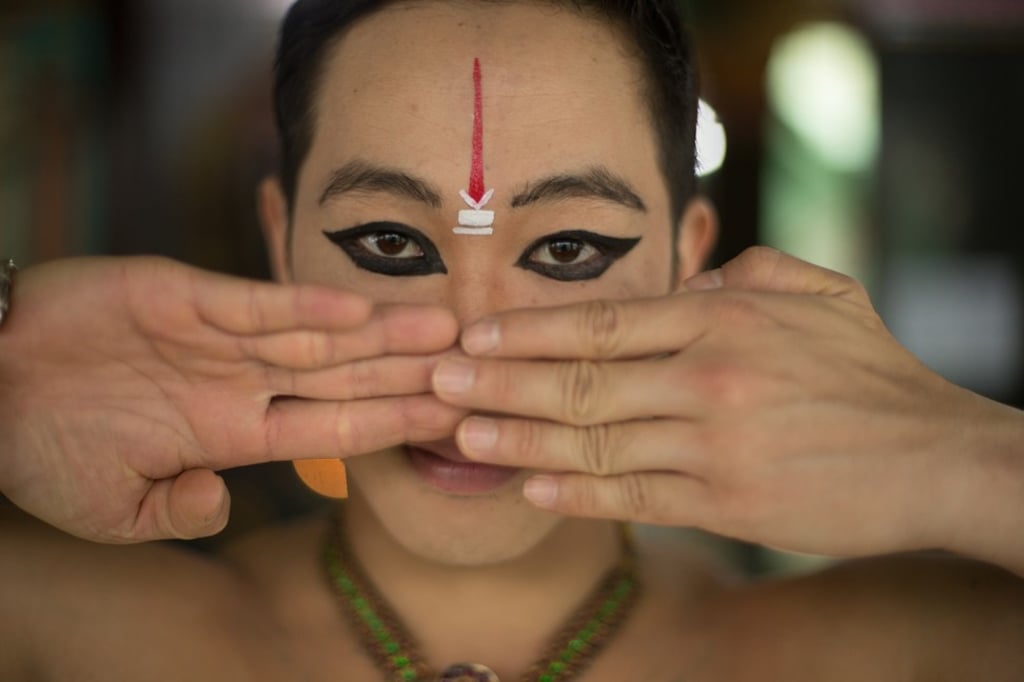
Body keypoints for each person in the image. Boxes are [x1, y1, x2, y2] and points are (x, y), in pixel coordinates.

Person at [1, 0, 1023, 679]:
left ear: (686, 261)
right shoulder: (61, 625)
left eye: (570, 247)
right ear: (281, 242)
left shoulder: (906, 652)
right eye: (390, 241)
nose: (471, 352)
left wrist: (969, 456)